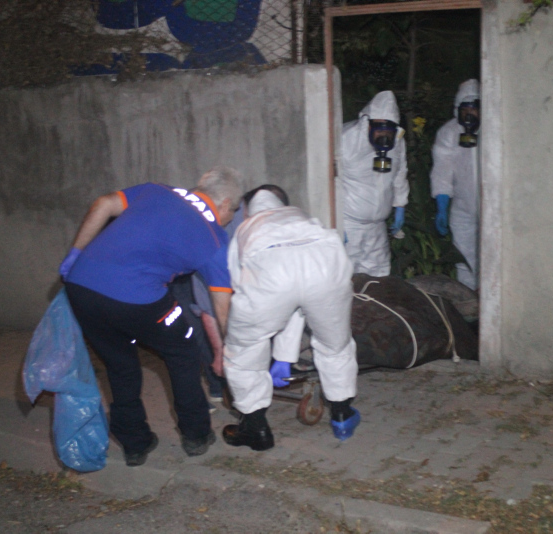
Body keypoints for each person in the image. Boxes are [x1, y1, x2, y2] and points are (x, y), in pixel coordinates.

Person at [58, 166, 243, 466]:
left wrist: (75, 253)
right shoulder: (214, 240)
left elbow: (103, 204)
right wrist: (231, 351)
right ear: (224, 204)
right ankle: (195, 434)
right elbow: (222, 310)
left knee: (119, 364)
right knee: (183, 351)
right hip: (136, 298)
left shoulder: (157, 190)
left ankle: (135, 444)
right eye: (234, 210)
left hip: (81, 288)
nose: (231, 217)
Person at [222, 185, 360, 451]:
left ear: (248, 210)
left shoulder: (246, 228)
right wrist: (284, 356)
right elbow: (300, 297)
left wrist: (275, 350)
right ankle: (342, 416)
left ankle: (256, 429)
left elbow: (240, 285)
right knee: (335, 344)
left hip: (269, 267)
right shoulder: (304, 218)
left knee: (244, 352)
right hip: (326, 262)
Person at [340, 90, 409, 277]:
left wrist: (400, 204)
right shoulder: (346, 140)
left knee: (379, 277)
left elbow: (399, 173)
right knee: (346, 278)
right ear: (367, 123)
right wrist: (334, 223)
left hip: (377, 227)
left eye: (389, 130)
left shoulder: (397, 142)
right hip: (349, 225)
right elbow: (327, 179)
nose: (385, 136)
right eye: (380, 129)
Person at [430, 79, 481, 291]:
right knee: (464, 258)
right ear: (457, 110)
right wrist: (442, 204)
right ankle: (469, 305)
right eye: (465, 109)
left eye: (474, 109)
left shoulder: (494, 129)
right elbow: (442, 170)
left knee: (493, 256)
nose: (470, 115)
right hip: (462, 205)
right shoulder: (449, 133)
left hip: (494, 206)